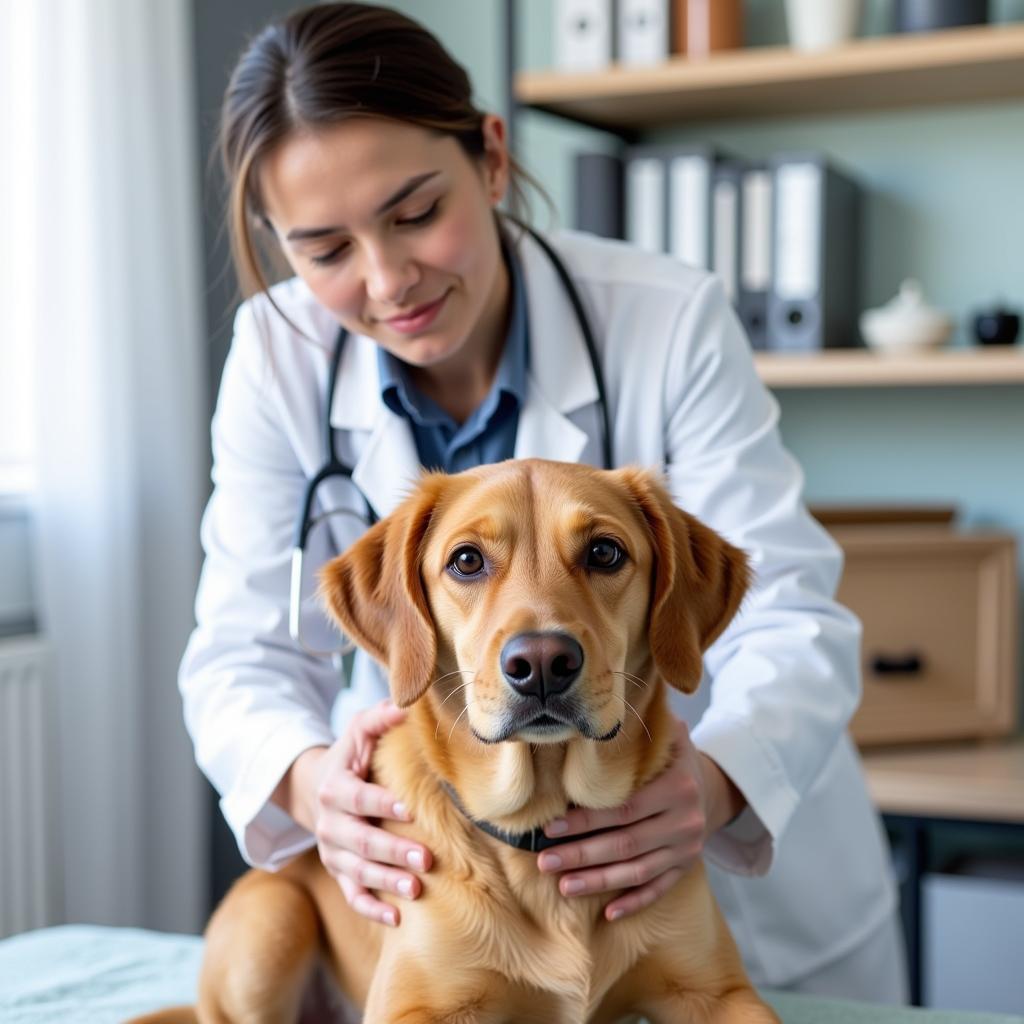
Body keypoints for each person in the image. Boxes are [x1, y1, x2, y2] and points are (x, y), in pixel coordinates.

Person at [180, 1, 907, 1002]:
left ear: (488, 157)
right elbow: (240, 650)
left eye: (414, 212)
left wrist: (713, 782)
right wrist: (315, 787)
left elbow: (785, 606)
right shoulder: (276, 353)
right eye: (326, 250)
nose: (387, 280)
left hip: (693, 868)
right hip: (459, 852)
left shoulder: (665, 317)